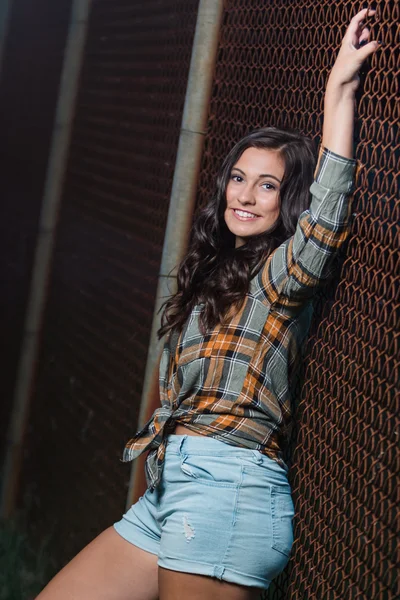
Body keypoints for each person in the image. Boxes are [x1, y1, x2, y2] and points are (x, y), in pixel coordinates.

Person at [37, 9, 379, 600]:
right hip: (170, 492)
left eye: (267, 185)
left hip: (228, 491)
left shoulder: (279, 279)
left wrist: (339, 87)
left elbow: (326, 211)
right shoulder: (216, 273)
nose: (244, 196)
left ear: (287, 200)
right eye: (238, 178)